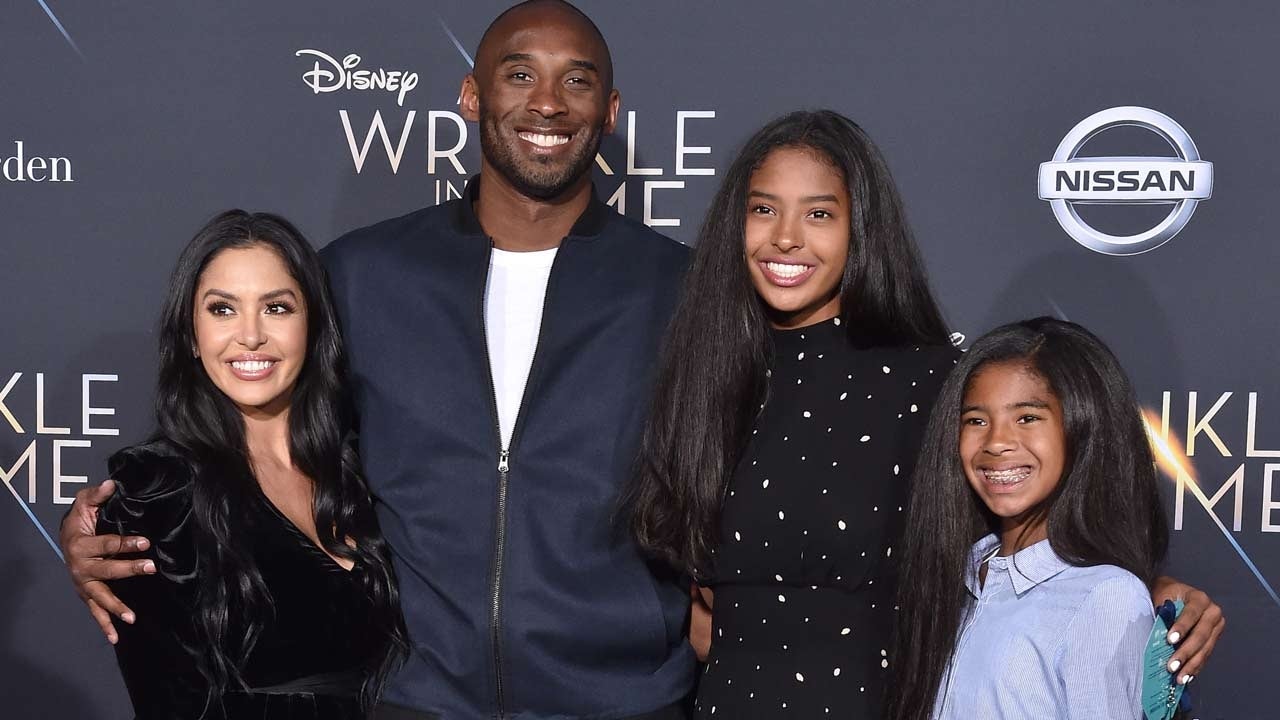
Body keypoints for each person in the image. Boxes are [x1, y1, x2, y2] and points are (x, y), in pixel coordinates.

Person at [63, 3, 694, 719]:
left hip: (622, 703)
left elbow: (746, 487)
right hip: (416, 701)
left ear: (609, 111)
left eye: (575, 81)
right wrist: (115, 526)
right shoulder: (361, 274)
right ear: (471, 96)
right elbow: (251, 438)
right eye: (519, 74)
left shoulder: (682, 290)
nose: (547, 101)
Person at [624, 111, 1225, 718]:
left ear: (862, 230)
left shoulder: (933, 381)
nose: (786, 237)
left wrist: (1148, 591)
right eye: (763, 210)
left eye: (819, 214)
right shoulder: (704, 379)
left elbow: (1025, 536)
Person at [94, 210, 405, 719]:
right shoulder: (157, 493)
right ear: (192, 334)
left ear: (313, 325)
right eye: (222, 310)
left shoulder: (363, 467)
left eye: (277, 307)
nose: (251, 336)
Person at [888, 318, 1171, 719]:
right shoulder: (951, 578)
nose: (997, 442)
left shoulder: (1105, 597)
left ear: (1083, 426)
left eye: (1027, 418)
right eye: (976, 421)